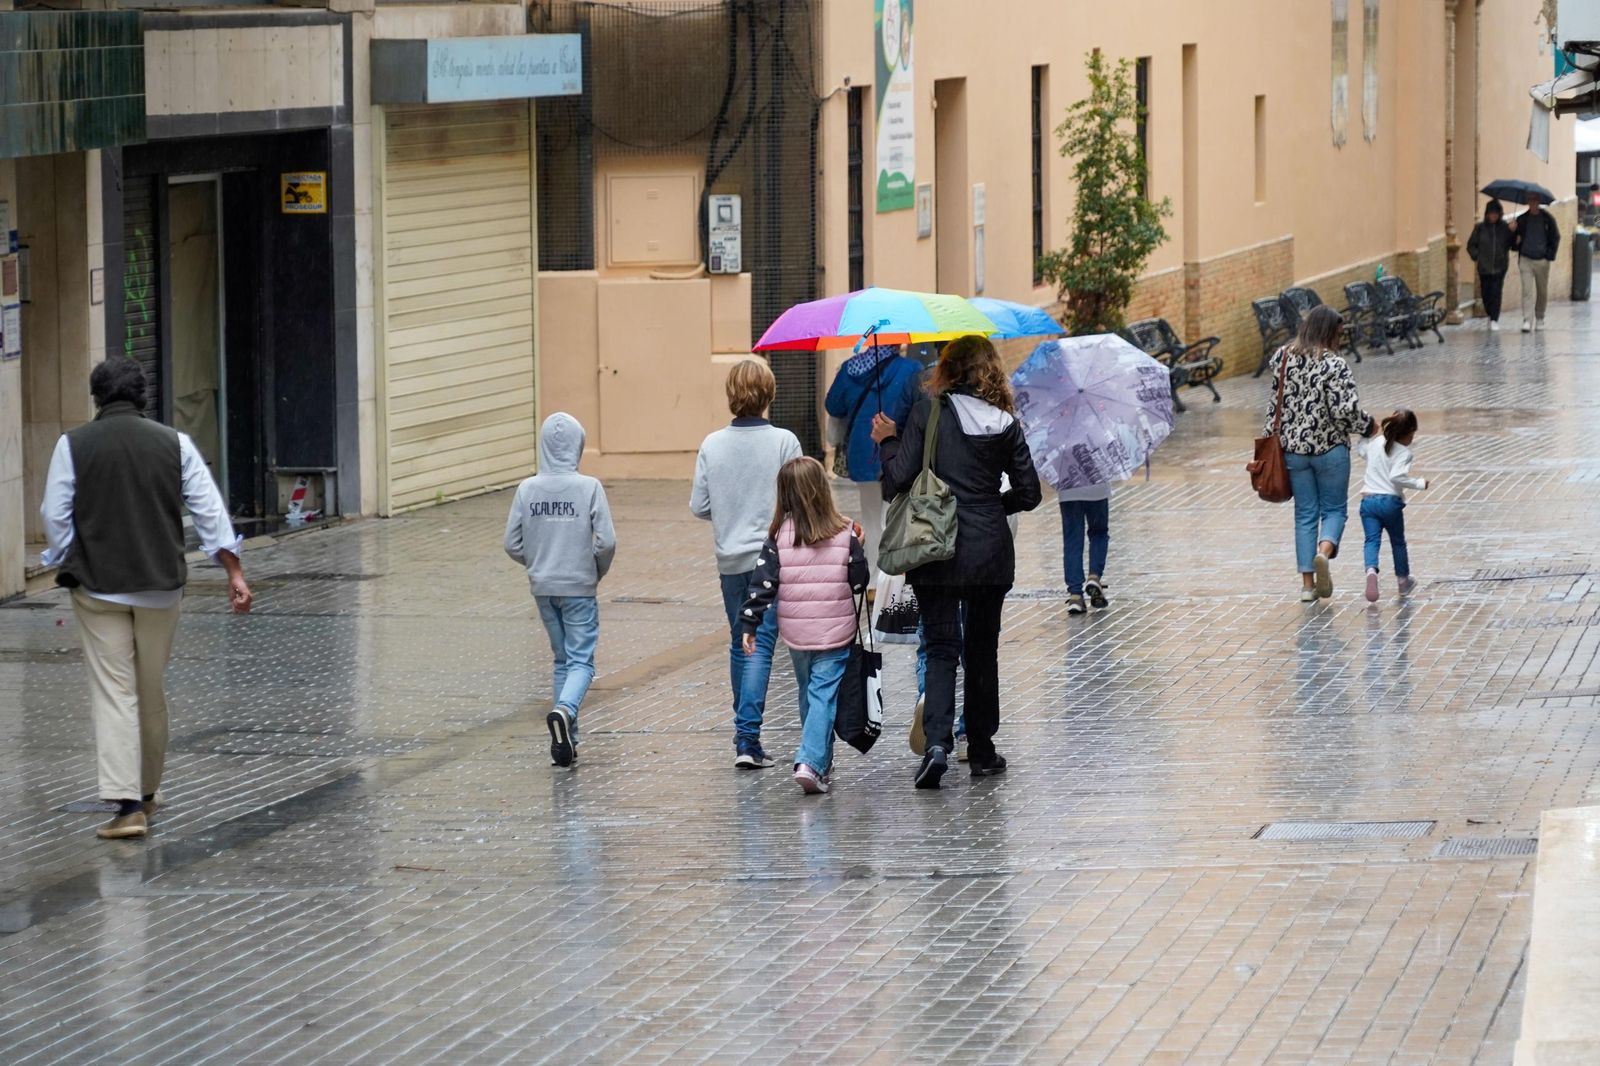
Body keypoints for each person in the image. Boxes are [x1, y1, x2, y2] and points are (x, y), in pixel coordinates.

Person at [39, 358, 253, 841]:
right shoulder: (174, 443)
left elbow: (54, 514)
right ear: (142, 397)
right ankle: (150, 790)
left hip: (97, 586)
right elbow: (209, 511)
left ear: (97, 397)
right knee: (150, 688)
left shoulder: (72, 445)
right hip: (161, 586)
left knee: (115, 691)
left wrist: (66, 556)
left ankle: (128, 805)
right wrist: (234, 573)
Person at [873, 335, 1042, 789]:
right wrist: (991, 507)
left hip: (937, 550)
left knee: (941, 647)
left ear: (948, 369)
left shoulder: (927, 414)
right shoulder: (1004, 422)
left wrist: (888, 441)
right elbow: (1029, 493)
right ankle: (982, 750)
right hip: (990, 553)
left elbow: (897, 480)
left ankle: (936, 745)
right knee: (982, 650)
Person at [691, 359, 801, 770]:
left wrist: (728, 511)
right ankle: (748, 739)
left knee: (742, 639)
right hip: (771, 557)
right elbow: (800, 501)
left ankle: (745, 735)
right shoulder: (784, 442)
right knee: (761, 644)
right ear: (769, 394)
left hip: (731, 559)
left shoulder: (712, 444)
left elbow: (699, 505)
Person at [738, 458, 871, 795]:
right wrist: (859, 549)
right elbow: (860, 582)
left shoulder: (778, 536)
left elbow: (762, 583)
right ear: (823, 490)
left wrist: (749, 623)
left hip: (797, 634)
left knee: (809, 693)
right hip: (835, 631)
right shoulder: (845, 532)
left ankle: (821, 762)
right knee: (822, 695)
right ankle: (810, 761)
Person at [504, 413, 617, 769]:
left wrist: (538, 564)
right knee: (581, 661)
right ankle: (565, 711)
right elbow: (607, 542)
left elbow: (511, 542)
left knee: (561, 660)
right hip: (579, 586)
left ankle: (568, 742)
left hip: (543, 587)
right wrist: (595, 570)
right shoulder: (589, 488)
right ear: (577, 446)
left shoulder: (527, 489)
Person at [1262, 305, 1376, 603]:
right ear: (1329, 332)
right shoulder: (1335, 364)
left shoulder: (1282, 357)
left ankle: (1307, 586)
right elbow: (1345, 411)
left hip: (1293, 451)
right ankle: (1323, 553)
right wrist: (1369, 426)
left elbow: (1274, 406)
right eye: (1339, 334)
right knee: (1334, 510)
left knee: (1304, 513)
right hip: (1330, 449)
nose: (1340, 339)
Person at [825, 343, 923, 568]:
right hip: (900, 452)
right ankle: (893, 571)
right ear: (898, 341)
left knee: (870, 516)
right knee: (896, 515)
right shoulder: (912, 369)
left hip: (862, 452)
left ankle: (874, 573)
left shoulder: (850, 368)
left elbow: (833, 405)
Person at [1360, 409, 1429, 603]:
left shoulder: (1375, 443)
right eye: (1412, 434)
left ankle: (1371, 571)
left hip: (1368, 501)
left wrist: (1365, 435)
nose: (1412, 438)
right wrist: (1418, 483)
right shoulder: (1404, 453)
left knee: (1371, 540)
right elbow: (1396, 477)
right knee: (1397, 542)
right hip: (1390, 503)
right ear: (1407, 433)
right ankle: (1403, 581)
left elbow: (1362, 450)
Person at [1059, 481, 1112, 615]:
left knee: (1072, 540)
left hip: (1068, 490)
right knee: (1098, 533)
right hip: (1097, 489)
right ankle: (1094, 576)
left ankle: (1075, 595)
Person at [1512, 191, 1560, 332]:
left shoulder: (1547, 219)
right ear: (1528, 202)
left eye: (1535, 200)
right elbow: (1514, 242)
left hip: (1542, 260)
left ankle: (1540, 317)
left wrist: (1549, 255)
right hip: (1525, 259)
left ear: (1539, 202)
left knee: (1542, 291)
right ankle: (1527, 320)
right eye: (1530, 200)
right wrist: (1512, 231)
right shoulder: (1521, 219)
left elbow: (1555, 237)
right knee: (1527, 291)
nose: (1533, 203)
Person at [1466, 199, 1513, 331]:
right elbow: (1471, 246)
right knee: (1486, 293)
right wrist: (1477, 256)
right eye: (1491, 213)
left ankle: (1494, 319)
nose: (1493, 216)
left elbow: (1512, 244)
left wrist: (1513, 232)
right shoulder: (1480, 228)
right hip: (1484, 267)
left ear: (1499, 214)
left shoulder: (1504, 228)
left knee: (1496, 292)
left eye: (1496, 214)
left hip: (1500, 266)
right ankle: (1489, 313)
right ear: (1487, 214)